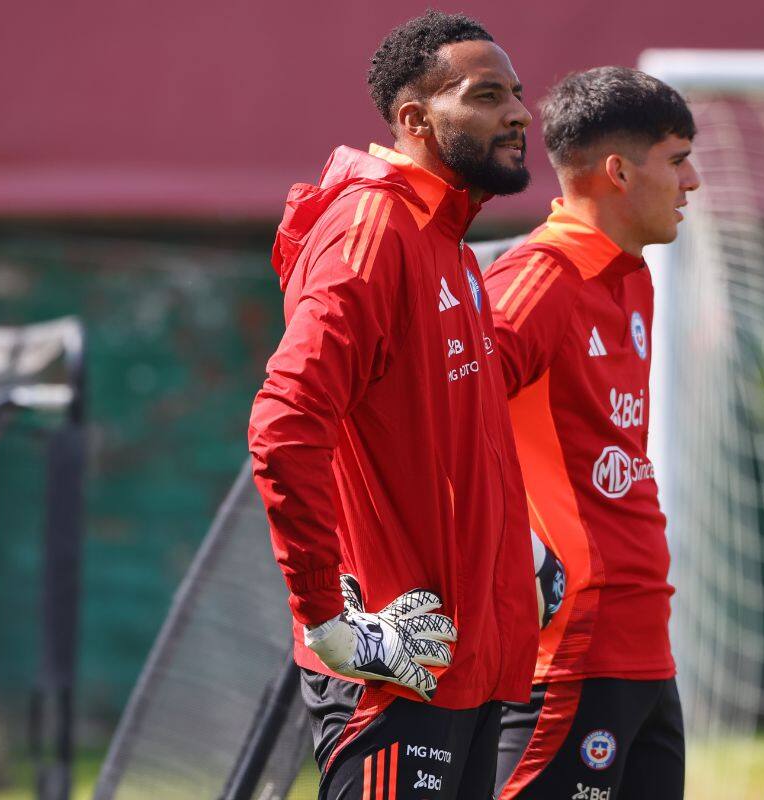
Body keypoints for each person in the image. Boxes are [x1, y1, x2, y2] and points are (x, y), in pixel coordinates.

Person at [247, 10, 560, 799]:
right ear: (416, 119)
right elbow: (284, 424)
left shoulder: (443, 236)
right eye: (488, 96)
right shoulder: (373, 231)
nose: (521, 114)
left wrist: (516, 549)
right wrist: (329, 622)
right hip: (394, 672)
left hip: (463, 665)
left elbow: (442, 441)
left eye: (517, 95)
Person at [485, 66, 701, 800]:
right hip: (567, 654)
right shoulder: (538, 281)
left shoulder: (631, 276)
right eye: (677, 160)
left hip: (641, 646)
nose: (692, 181)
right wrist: (506, 551)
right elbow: (435, 420)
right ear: (617, 171)